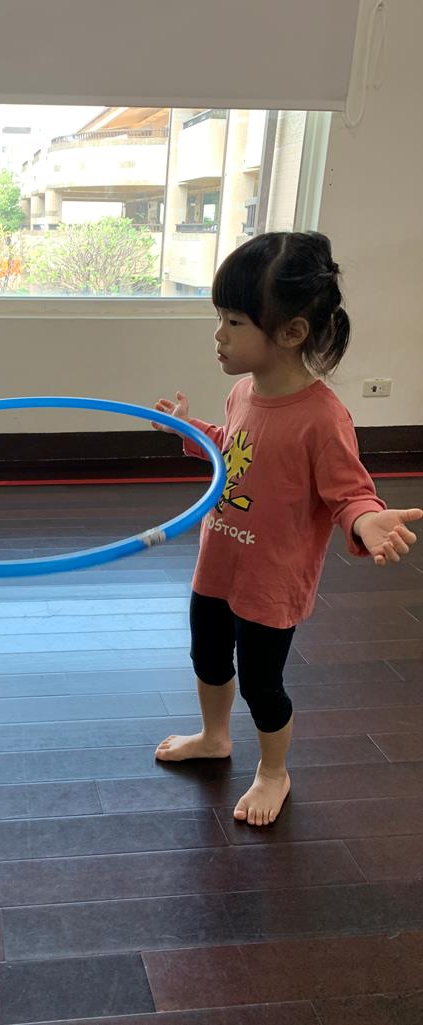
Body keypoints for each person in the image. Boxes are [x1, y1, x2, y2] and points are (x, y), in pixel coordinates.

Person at [151, 232, 422, 826]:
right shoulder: (242, 392)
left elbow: (349, 492)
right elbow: (231, 450)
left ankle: (274, 771)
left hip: (271, 582)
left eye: (234, 322)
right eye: (219, 318)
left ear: (292, 332)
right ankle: (214, 736)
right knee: (207, 658)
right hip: (217, 564)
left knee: (261, 683)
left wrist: (369, 519)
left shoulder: (322, 418)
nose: (218, 335)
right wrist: (190, 430)